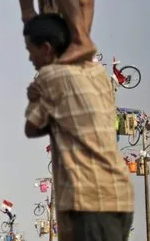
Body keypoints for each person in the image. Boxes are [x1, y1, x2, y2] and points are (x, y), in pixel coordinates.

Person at [23, 14, 134, 240]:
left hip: (90, 199)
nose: (29, 58)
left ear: (46, 49)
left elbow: (31, 127)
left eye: (30, 50)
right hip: (120, 194)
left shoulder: (51, 76)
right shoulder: (97, 73)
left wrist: (36, 96)